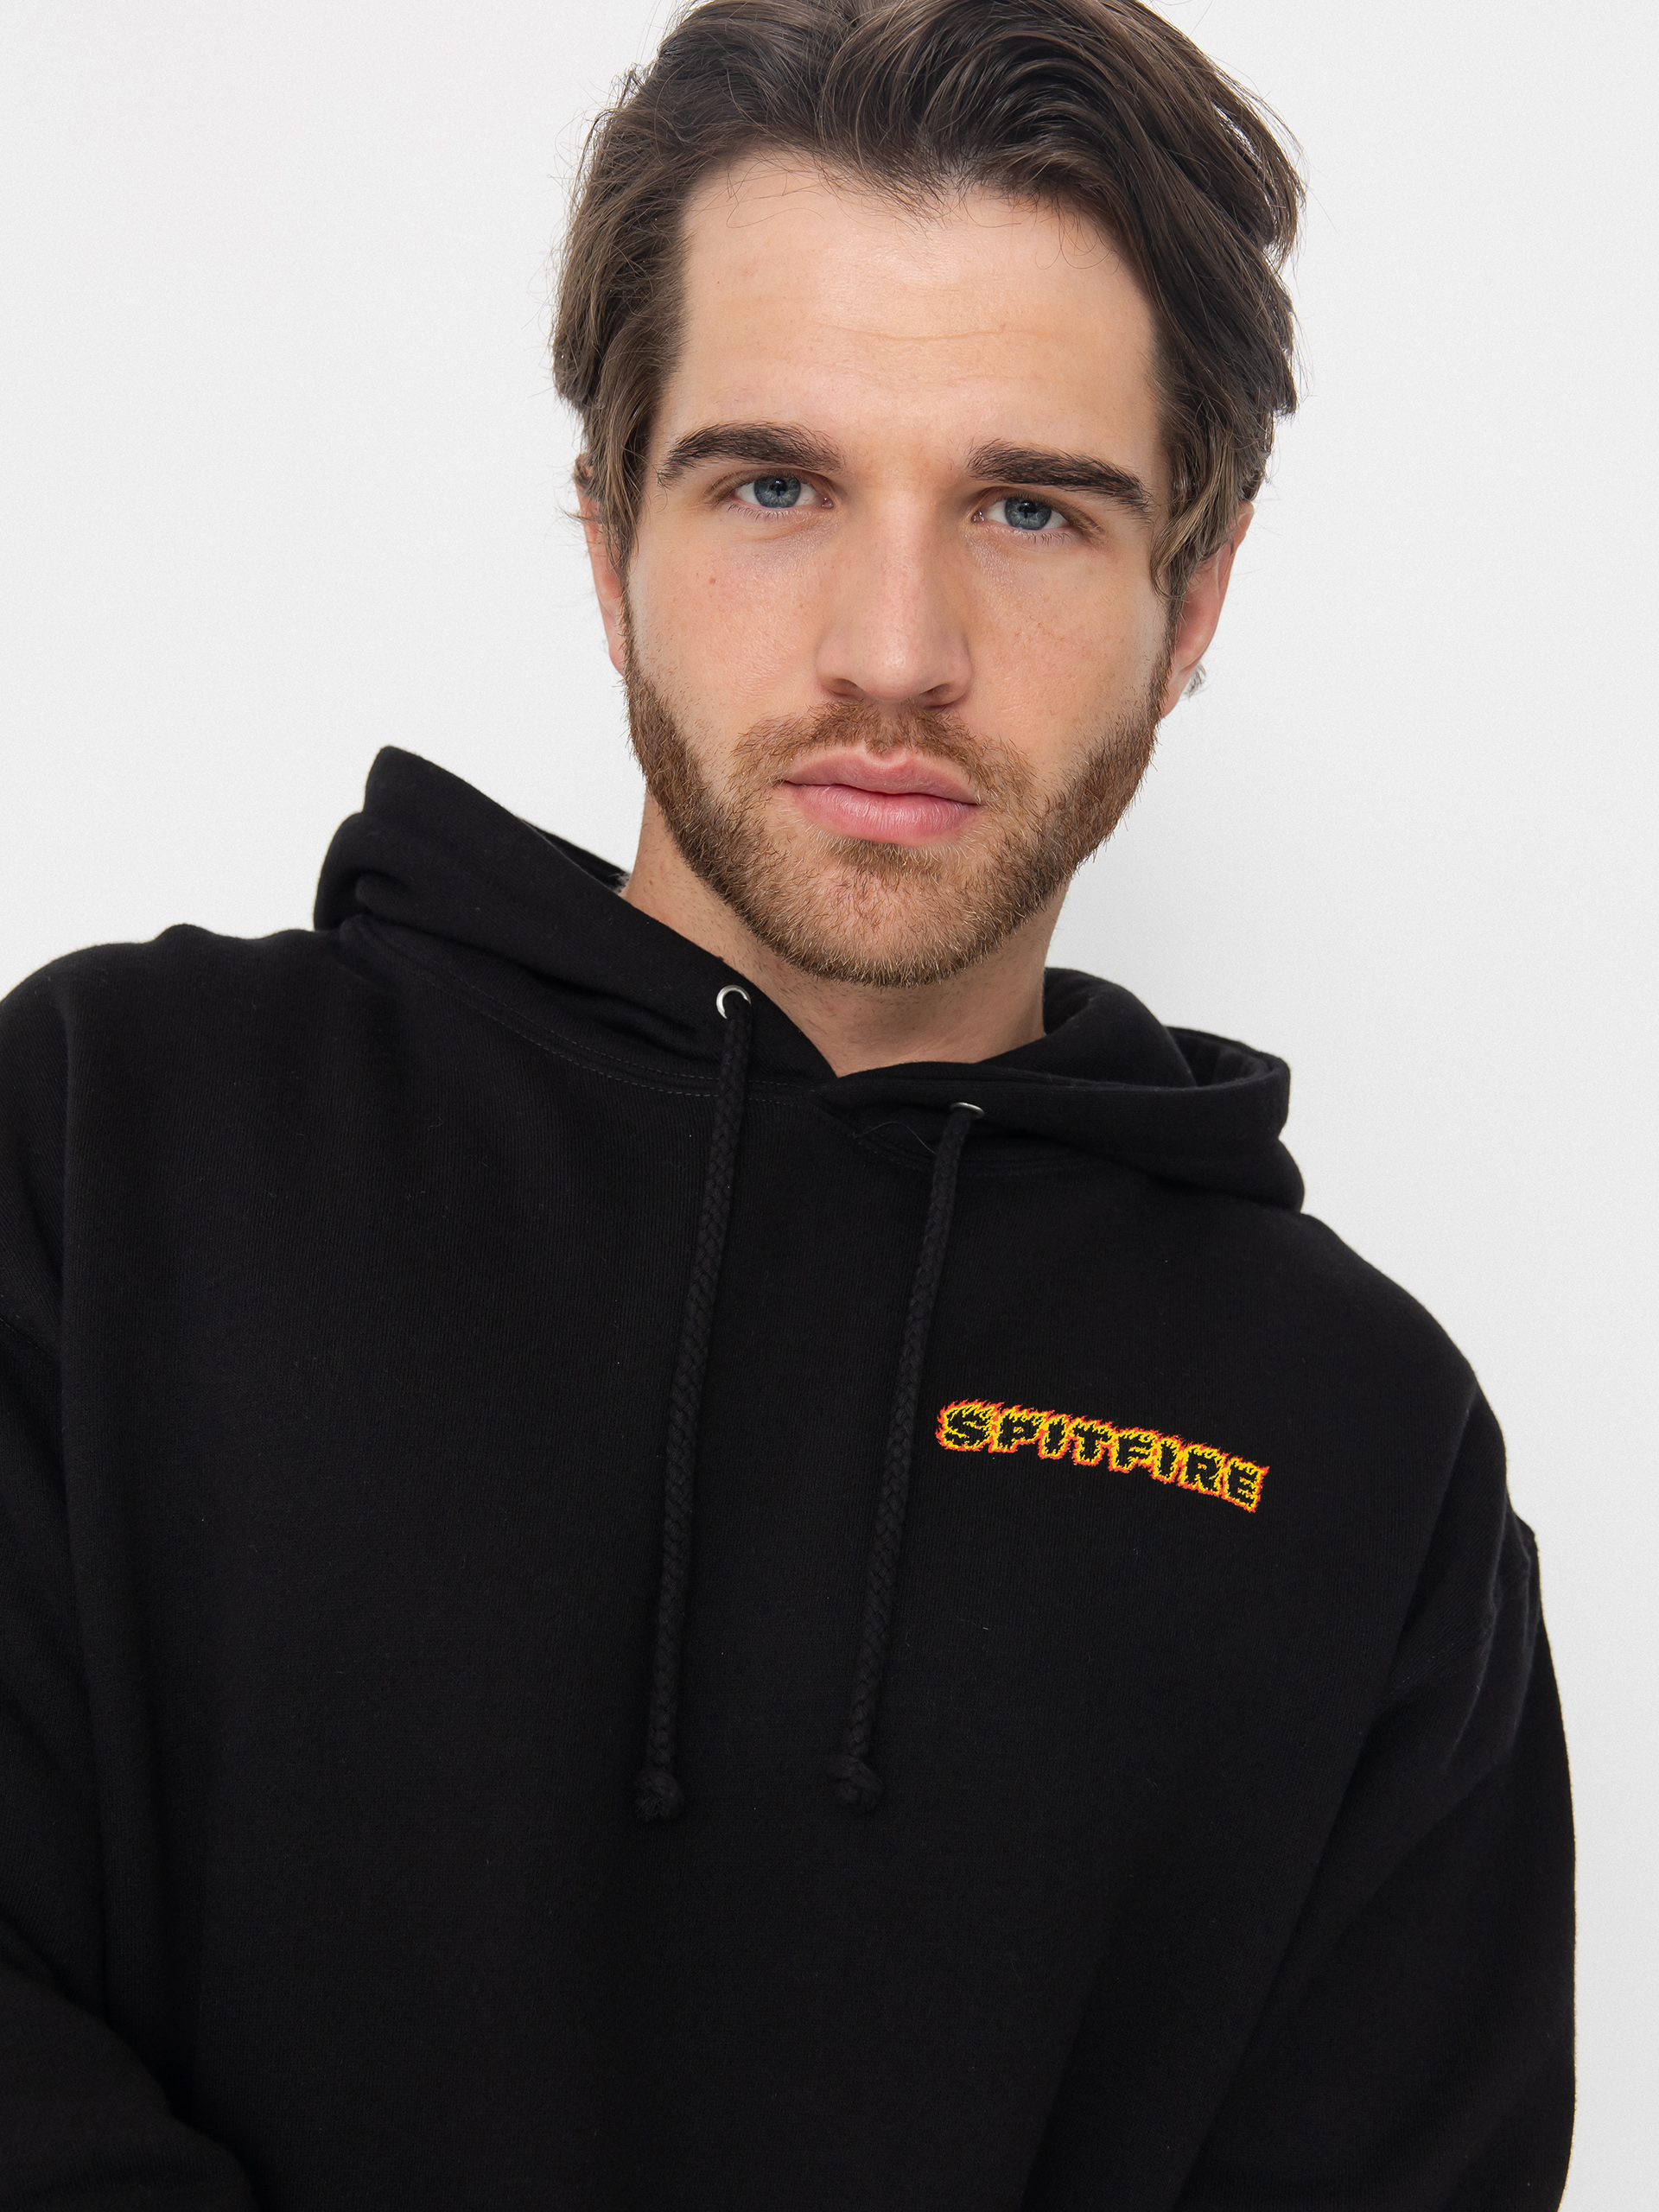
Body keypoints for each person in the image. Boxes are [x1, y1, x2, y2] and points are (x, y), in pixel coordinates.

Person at [0, 0, 1573, 2204]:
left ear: (1194, 593)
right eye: (775, 484)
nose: (894, 647)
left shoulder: (1363, 1449)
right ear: (607, 541)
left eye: (1029, 506)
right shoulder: (121, 1139)